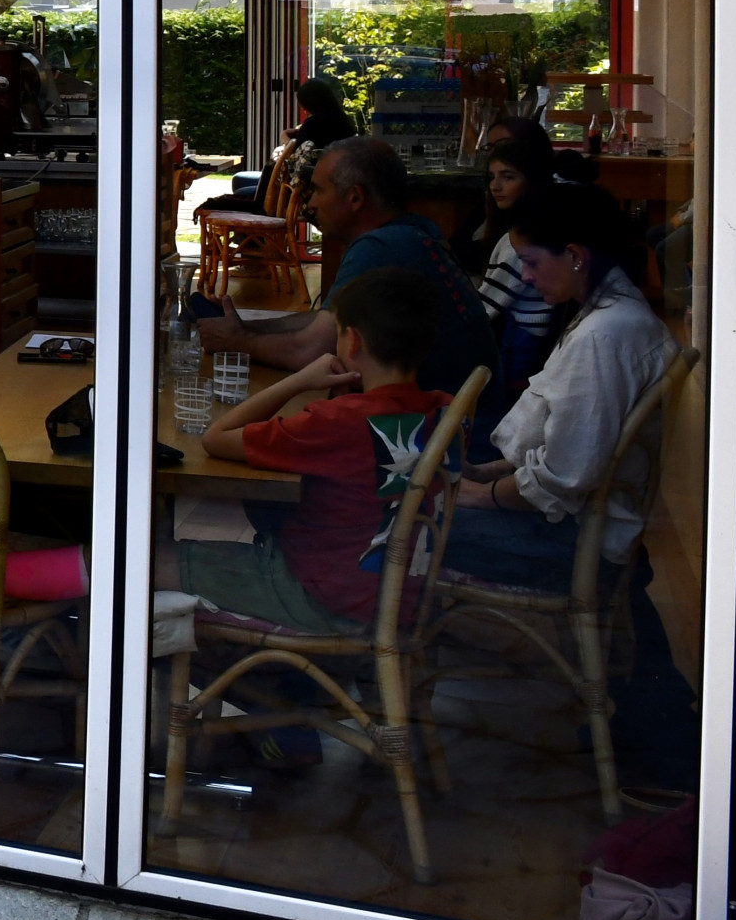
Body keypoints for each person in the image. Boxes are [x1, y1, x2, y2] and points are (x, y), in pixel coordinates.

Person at [176, 267, 453, 633]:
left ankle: (118, 647)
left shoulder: (338, 422)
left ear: (352, 342)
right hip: (397, 596)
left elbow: (216, 438)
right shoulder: (443, 410)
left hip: (321, 596)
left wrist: (300, 380)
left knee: (148, 561)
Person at [443, 183, 677, 588]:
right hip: (581, 525)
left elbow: (562, 479)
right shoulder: (617, 313)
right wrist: (480, 474)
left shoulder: (602, 336)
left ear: (575, 256)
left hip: (575, 541)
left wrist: (477, 495)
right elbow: (570, 450)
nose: (526, 277)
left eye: (531, 262)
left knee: (407, 521)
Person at [199, 137, 495, 396]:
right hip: (454, 420)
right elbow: (327, 322)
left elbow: (312, 350)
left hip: (446, 434)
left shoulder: (380, 247)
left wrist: (237, 341)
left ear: (355, 197)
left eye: (318, 190)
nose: (311, 203)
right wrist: (245, 327)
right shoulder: (413, 231)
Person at [464, 117, 564, 439]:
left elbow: (485, 309)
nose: (495, 187)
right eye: (492, 177)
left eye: (507, 177)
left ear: (531, 182)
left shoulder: (515, 243)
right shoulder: (540, 227)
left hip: (523, 344)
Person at [196, 75, 356, 218]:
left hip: (296, 191)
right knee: (240, 179)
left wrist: (285, 137)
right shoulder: (344, 123)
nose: (302, 109)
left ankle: (256, 237)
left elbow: (295, 155)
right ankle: (250, 239)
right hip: (328, 186)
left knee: (241, 186)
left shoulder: (314, 123)